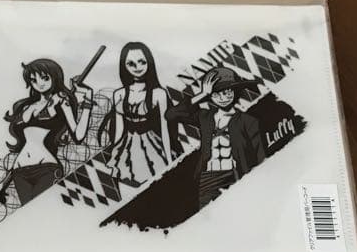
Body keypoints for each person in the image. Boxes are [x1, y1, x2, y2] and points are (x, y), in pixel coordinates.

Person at [166, 68, 265, 207]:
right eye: (216, 94)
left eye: (227, 92)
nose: (223, 98)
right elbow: (171, 115)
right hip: (208, 178)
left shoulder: (248, 121)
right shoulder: (205, 117)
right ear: (210, 96)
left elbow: (260, 156)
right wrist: (202, 94)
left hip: (236, 176)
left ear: (235, 92)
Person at [5, 58, 94, 205]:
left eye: (45, 78)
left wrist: (88, 99)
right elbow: (25, 144)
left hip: (46, 169)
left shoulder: (61, 101)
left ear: (55, 77)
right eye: (34, 80)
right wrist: (4, 182)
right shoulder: (26, 106)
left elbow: (78, 136)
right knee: (30, 216)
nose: (39, 83)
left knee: (42, 212)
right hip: (19, 172)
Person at [100, 42, 172, 186]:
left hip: (152, 144)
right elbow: (119, 129)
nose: (138, 67)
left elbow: (165, 130)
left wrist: (170, 160)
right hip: (127, 146)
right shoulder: (119, 93)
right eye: (131, 64)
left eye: (142, 62)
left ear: (149, 62)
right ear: (124, 66)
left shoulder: (159, 93)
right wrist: (114, 154)